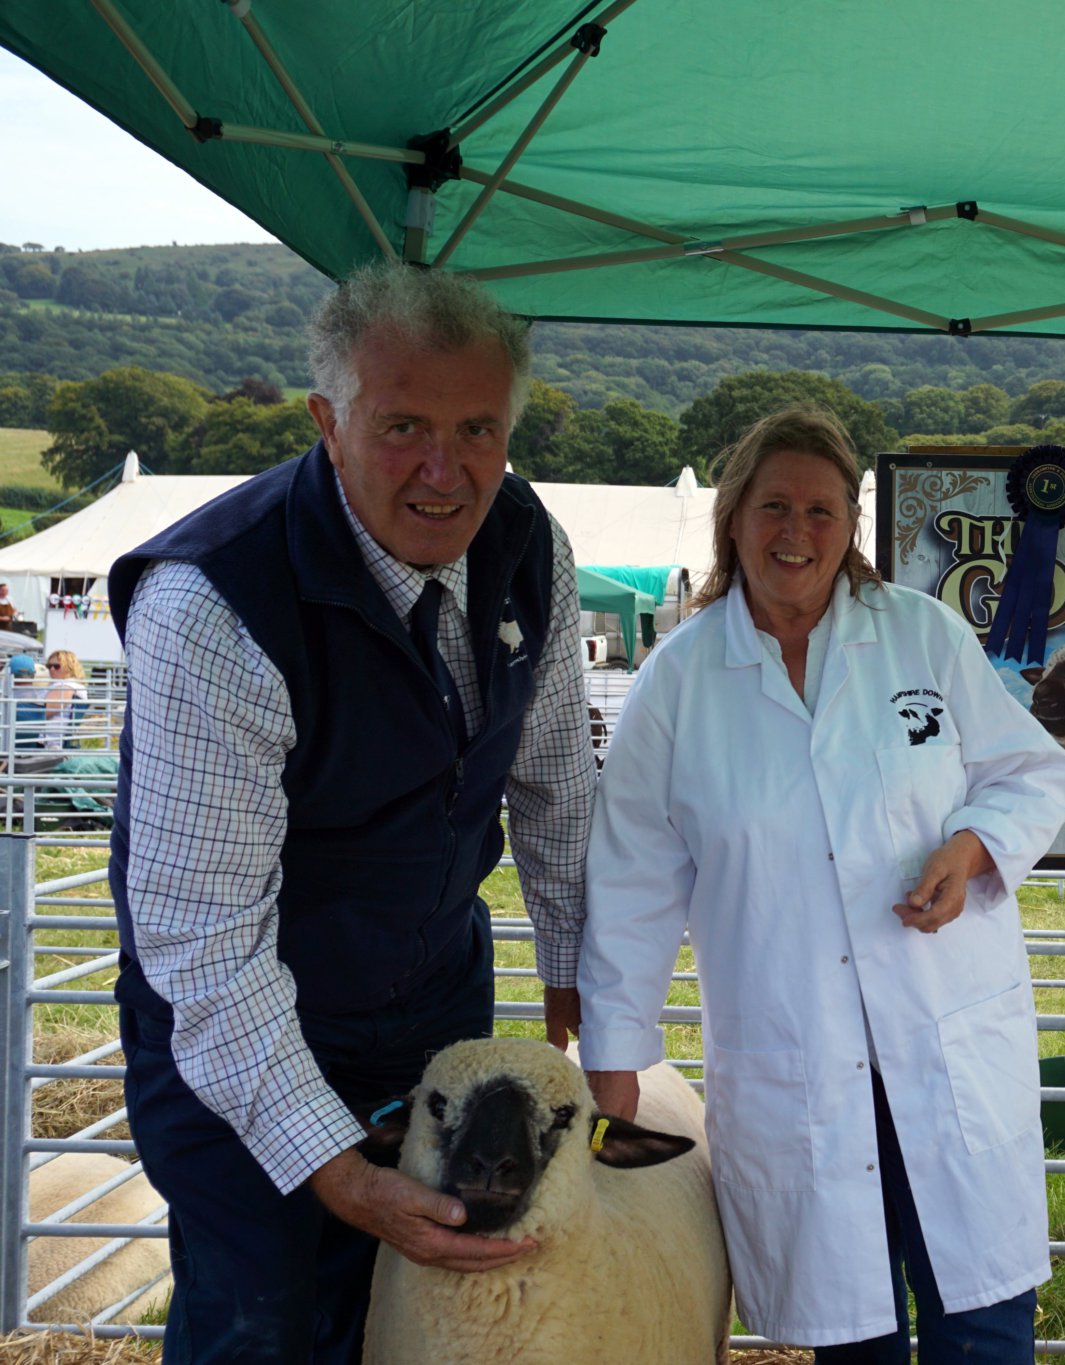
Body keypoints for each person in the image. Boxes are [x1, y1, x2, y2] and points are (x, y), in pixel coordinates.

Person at [107, 261, 596, 1364]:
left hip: (426, 998)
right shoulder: (215, 604)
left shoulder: (529, 550)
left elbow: (557, 784)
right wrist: (337, 1170)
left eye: (479, 428)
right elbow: (204, 941)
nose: (444, 469)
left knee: (410, 1323)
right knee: (261, 1321)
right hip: (235, 1029)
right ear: (328, 422)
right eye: (404, 426)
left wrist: (579, 984)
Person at [578, 407, 1065, 1363]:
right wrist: (614, 1062)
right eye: (773, 506)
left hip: (944, 1046)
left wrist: (970, 848)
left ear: (851, 524)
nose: (794, 533)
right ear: (732, 519)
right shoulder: (679, 685)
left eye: (819, 509)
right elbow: (633, 883)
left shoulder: (920, 639)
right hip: (798, 1062)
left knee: (987, 1335)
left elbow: (1035, 772)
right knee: (857, 1342)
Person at [40, 648, 86, 749]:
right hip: (50, 739)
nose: (51, 669)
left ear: (69, 667)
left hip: (50, 742)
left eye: (56, 666)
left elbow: (41, 714)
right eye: (49, 666)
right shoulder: (73, 686)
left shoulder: (65, 687)